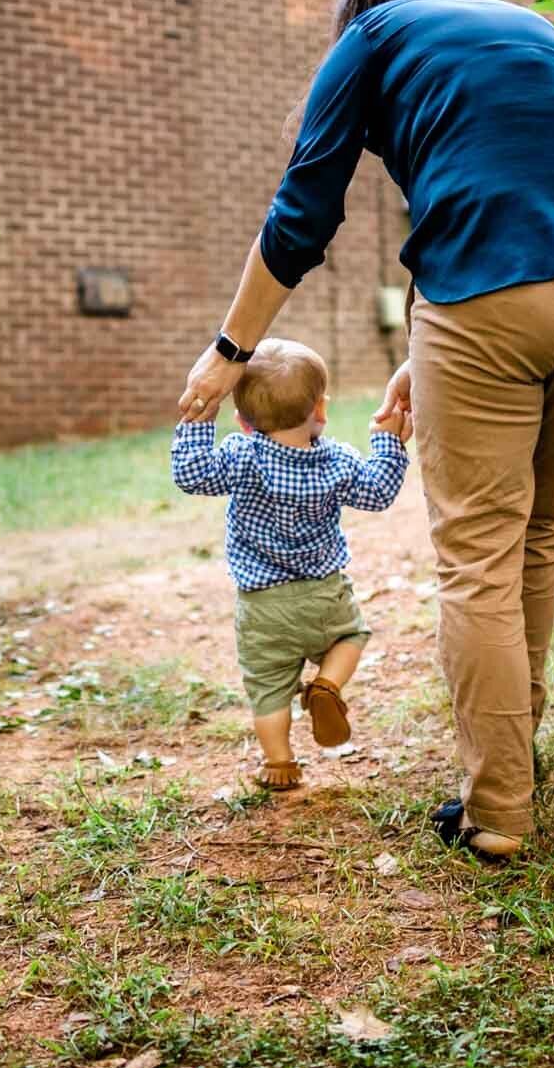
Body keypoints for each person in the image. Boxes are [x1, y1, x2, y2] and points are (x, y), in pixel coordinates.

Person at [175, 0, 554, 860]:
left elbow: (302, 212)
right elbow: (532, 179)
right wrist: (431, 343)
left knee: (479, 548)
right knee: (537, 520)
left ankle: (500, 811)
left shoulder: (374, 35)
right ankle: (516, 757)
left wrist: (230, 348)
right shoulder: (532, 26)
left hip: (488, 298)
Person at [171, 338, 411, 790]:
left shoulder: (241, 456)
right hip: (325, 594)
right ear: (320, 408)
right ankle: (327, 686)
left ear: (242, 422)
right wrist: (388, 444)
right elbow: (378, 492)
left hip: (262, 607)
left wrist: (199, 421)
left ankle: (280, 763)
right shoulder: (336, 459)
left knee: (267, 688)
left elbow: (191, 474)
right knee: (352, 636)